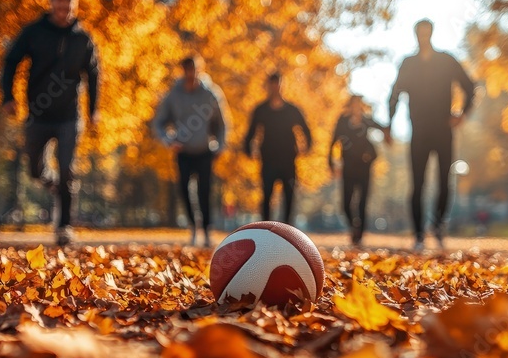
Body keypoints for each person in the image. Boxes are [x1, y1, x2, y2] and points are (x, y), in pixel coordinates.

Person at [1, 0, 99, 246]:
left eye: (69, 0)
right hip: (38, 113)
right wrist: (8, 97)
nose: (64, 5)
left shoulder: (83, 38)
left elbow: (93, 74)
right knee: (35, 169)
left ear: (74, 3)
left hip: (70, 115)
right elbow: (10, 61)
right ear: (50, 1)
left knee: (68, 168)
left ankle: (64, 226)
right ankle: (53, 184)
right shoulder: (34, 32)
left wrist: (93, 110)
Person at [389, 19, 476, 251]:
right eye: (420, 33)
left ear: (432, 34)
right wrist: (389, 124)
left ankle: (437, 226)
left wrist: (462, 113)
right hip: (418, 131)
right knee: (417, 183)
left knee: (444, 181)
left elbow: (470, 86)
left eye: (427, 33)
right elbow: (395, 93)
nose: (423, 37)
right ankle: (418, 233)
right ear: (416, 35)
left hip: (443, 129)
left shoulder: (446, 61)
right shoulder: (408, 64)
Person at [152, 55, 229, 247]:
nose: (191, 74)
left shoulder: (211, 93)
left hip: (204, 151)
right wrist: (168, 141)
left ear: (200, 70)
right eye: (187, 70)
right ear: (183, 71)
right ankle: (193, 227)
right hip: (183, 151)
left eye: (194, 70)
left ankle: (208, 230)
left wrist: (220, 144)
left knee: (205, 191)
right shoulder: (174, 94)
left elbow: (222, 123)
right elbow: (159, 122)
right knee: (184, 190)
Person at [243, 72, 313, 225]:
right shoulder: (261, 110)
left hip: (288, 159)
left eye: (278, 84)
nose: (275, 88)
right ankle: (266, 226)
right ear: (268, 86)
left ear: (282, 86)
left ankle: (288, 227)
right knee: (267, 193)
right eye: (272, 85)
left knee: (289, 194)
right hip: (268, 158)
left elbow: (305, 129)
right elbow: (251, 132)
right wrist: (249, 150)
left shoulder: (292, 110)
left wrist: (306, 146)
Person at [329, 95, 391, 246]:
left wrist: (388, 136)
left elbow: (382, 127)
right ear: (349, 105)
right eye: (353, 104)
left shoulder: (365, 120)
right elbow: (333, 142)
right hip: (348, 167)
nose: (356, 107)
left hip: (364, 166)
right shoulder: (342, 121)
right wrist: (330, 163)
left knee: (362, 201)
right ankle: (353, 226)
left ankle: (359, 235)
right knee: (346, 203)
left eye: (358, 105)